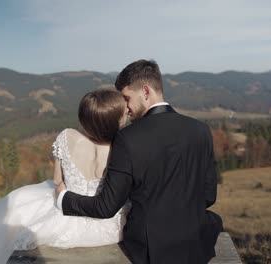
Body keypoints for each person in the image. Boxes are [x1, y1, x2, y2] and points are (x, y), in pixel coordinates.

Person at [56, 59, 223, 264]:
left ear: (146, 92)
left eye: (127, 98)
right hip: (196, 242)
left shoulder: (127, 139)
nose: (125, 108)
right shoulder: (201, 130)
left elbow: (106, 207)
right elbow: (209, 196)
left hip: (151, 249)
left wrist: (63, 199)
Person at [0, 89, 130, 264]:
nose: (128, 112)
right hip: (107, 227)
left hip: (67, 215)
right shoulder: (123, 149)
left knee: (17, 205)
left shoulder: (68, 137)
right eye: (124, 113)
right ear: (116, 121)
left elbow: (57, 181)